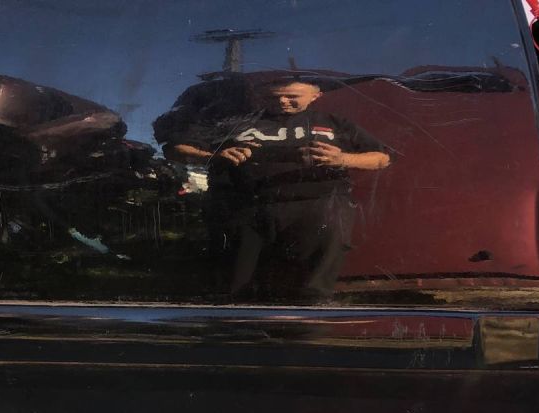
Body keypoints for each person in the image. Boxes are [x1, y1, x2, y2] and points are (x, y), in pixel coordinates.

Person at [165, 78, 391, 302]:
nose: (282, 101)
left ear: (315, 96)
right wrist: (212, 156)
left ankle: (307, 321)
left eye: (292, 97)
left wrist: (343, 159)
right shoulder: (236, 123)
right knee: (237, 286)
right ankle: (240, 321)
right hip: (246, 209)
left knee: (311, 290)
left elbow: (382, 158)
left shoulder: (335, 123)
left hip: (319, 208)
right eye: (273, 97)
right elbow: (174, 149)